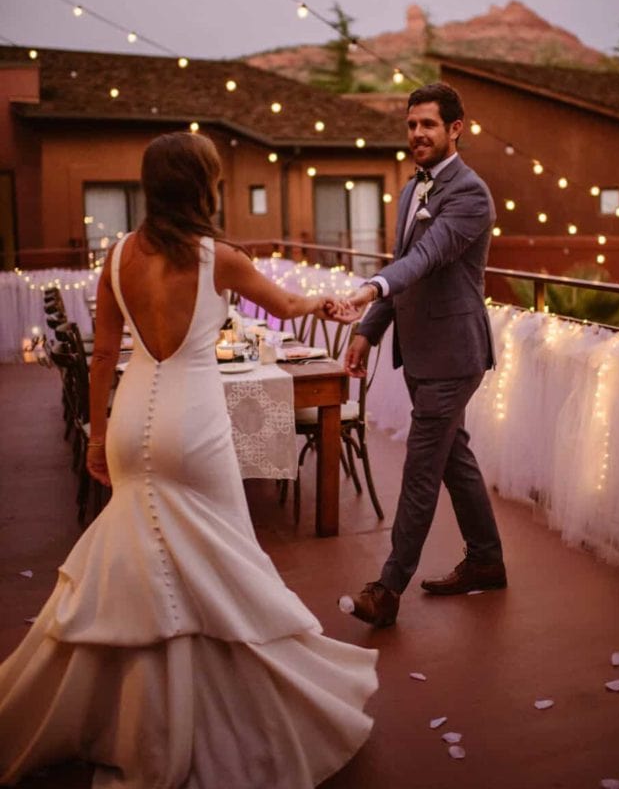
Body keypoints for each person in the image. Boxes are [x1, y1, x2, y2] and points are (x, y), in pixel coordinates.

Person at [0, 131, 377, 788]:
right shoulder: (217, 258)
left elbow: (99, 358)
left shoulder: (116, 258)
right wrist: (336, 302)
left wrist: (94, 437)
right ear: (201, 187)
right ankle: (207, 713)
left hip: (130, 416)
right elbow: (288, 305)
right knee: (222, 560)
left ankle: (131, 720)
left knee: (139, 571)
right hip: (194, 425)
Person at [335, 82, 506, 628]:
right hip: (421, 351)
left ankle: (386, 590)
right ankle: (485, 560)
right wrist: (367, 330)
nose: (416, 135)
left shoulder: (471, 194)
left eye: (428, 125)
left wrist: (369, 290)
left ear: (456, 128)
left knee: (420, 470)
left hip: (455, 356)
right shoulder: (411, 191)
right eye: (411, 125)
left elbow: (427, 257)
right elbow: (403, 262)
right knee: (454, 458)